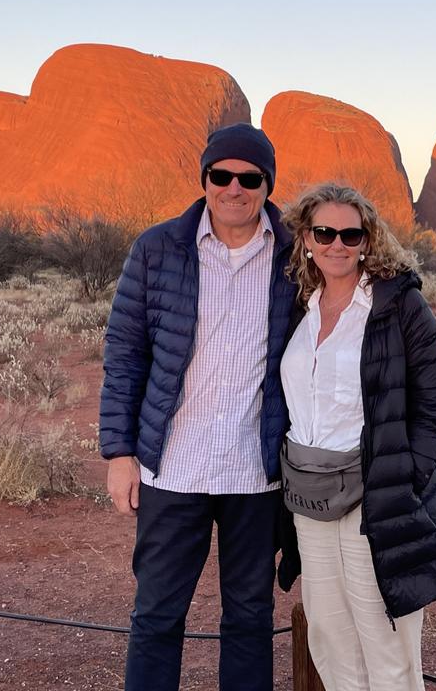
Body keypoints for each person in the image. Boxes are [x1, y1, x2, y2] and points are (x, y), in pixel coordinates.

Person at [100, 122, 296, 691]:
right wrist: (119, 453)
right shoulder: (157, 248)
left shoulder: (293, 256)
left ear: (267, 185)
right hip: (173, 466)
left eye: (250, 177)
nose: (235, 188)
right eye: (222, 175)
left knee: (250, 620)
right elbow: (125, 354)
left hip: (255, 474)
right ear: (204, 179)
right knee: (158, 616)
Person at [277, 183, 436, 691]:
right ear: (306, 238)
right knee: (329, 633)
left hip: (376, 491)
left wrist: (406, 474)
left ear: (367, 240)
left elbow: (434, 401)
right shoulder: (300, 304)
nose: (336, 244)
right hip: (310, 494)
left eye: (349, 233)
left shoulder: (397, 306)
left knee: (384, 632)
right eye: (324, 232)